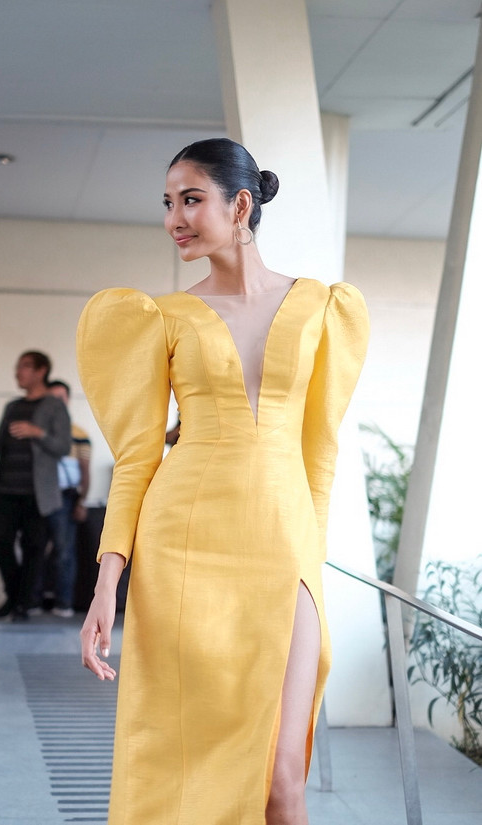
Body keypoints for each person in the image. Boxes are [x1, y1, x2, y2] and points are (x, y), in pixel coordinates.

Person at [78, 138, 369, 825]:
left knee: (282, 781)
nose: (174, 219)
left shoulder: (323, 307)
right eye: (168, 203)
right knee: (187, 765)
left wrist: (309, 556)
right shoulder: (162, 316)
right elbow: (138, 459)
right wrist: (106, 581)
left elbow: (320, 452)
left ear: (240, 204)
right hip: (184, 549)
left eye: (190, 200)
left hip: (284, 545)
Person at [0, 351, 71, 621]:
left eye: (25, 367)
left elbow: (63, 446)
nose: (18, 372)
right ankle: (15, 596)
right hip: (5, 489)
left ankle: (21, 603)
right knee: (1, 542)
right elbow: (0, 444)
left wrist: (37, 432)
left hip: (37, 493)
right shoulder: (12, 406)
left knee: (33, 548)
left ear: (41, 371)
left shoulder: (55, 406)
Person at [38, 379, 91, 617]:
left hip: (65, 496)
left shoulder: (79, 434)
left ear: (68, 400)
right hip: (38, 495)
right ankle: (33, 601)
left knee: (64, 550)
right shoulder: (37, 430)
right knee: (35, 549)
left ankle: (64, 602)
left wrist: (81, 501)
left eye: (61, 397)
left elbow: (85, 471)